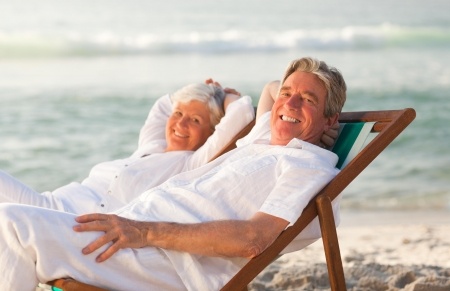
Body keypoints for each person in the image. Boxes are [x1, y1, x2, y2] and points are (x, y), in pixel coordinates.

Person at [0, 56, 347, 290]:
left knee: (12, 224)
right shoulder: (265, 139)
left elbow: (253, 239)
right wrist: (290, 98)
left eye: (308, 100)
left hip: (164, 260)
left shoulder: (306, 165)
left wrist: (145, 232)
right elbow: (272, 90)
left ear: (330, 119)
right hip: (129, 233)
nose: (289, 104)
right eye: (289, 95)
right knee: (13, 228)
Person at [0, 81, 255, 214]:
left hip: (71, 220)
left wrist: (223, 95)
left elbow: (242, 112)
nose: (181, 123)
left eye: (196, 120)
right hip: (52, 201)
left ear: (212, 132)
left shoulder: (191, 165)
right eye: (179, 113)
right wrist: (205, 91)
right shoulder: (151, 146)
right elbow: (164, 105)